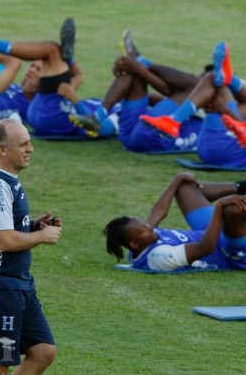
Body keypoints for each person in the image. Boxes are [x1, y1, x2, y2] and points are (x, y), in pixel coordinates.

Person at [0, 118, 62, 375]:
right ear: (2, 150)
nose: (30, 149)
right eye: (23, 144)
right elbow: (5, 240)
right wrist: (42, 236)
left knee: (43, 350)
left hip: (16, 283)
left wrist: (32, 226)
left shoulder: (9, 181)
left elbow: (3, 229)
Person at [0, 17, 118, 138]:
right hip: (46, 110)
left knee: (52, 50)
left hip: (53, 116)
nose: (32, 70)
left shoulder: (121, 114)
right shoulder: (109, 104)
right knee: (53, 49)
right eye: (32, 66)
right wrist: (68, 59)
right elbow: (79, 75)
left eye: (40, 69)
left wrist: (75, 99)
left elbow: (98, 128)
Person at [69, 32, 202, 151]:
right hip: (135, 134)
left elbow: (189, 88)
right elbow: (168, 95)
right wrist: (130, 78)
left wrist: (142, 67)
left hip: (154, 136)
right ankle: (97, 116)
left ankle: (139, 62)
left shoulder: (211, 98)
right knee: (132, 74)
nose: (205, 76)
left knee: (196, 85)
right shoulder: (192, 102)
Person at [104, 173, 246, 272]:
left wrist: (177, 179)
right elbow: (206, 248)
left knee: (184, 186)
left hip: (210, 231)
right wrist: (220, 207)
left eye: (144, 224)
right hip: (230, 252)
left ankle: (242, 186)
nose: (148, 226)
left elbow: (158, 212)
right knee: (233, 210)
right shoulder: (159, 257)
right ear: (134, 244)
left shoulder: (143, 238)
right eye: (143, 229)